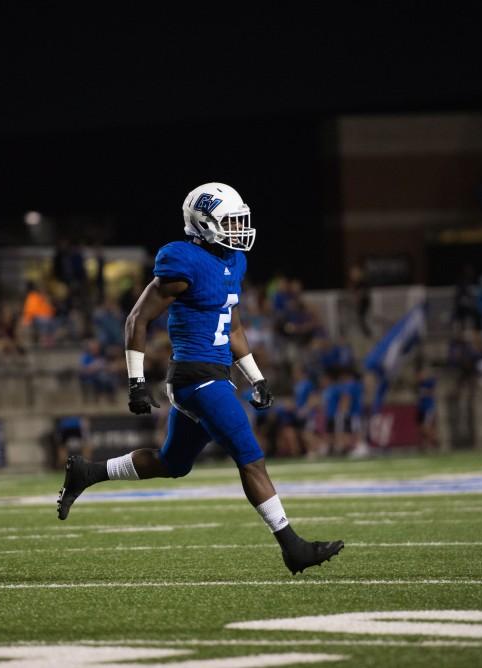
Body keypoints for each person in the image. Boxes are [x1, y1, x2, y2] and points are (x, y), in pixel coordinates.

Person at [56, 182, 343, 575]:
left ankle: (88, 472)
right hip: (196, 378)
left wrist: (256, 378)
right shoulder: (182, 262)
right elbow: (137, 319)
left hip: (214, 376)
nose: (240, 227)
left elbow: (235, 327)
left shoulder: (234, 261)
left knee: (173, 463)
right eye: (231, 220)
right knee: (251, 458)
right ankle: (292, 546)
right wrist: (136, 382)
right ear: (204, 224)